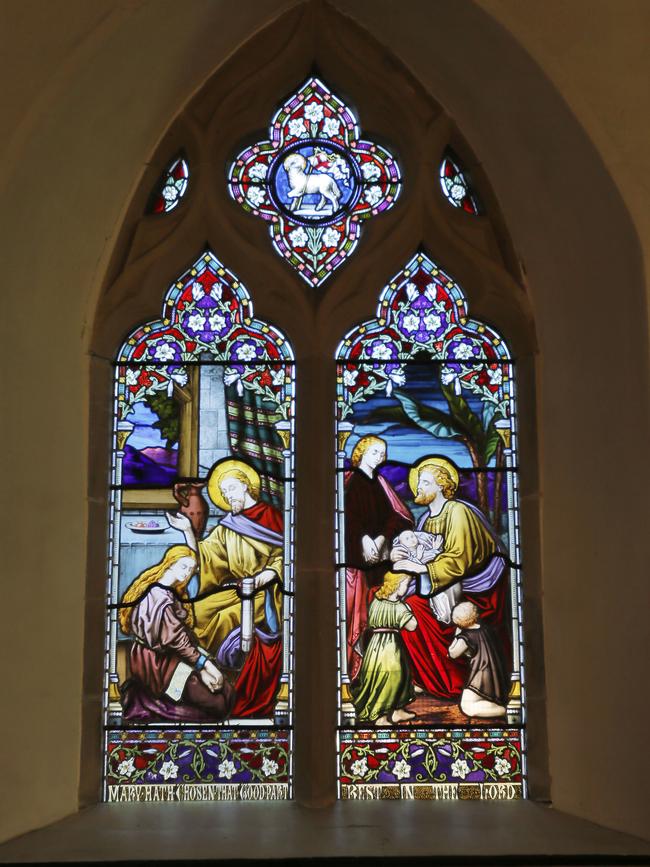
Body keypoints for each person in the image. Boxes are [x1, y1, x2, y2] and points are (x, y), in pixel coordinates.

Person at [167, 459, 283, 718]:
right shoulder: (229, 524)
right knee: (195, 610)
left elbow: (284, 556)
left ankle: (219, 682)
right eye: (225, 492)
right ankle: (196, 674)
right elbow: (208, 556)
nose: (229, 496)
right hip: (236, 590)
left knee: (224, 618)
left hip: (266, 596)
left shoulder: (274, 519)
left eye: (232, 489)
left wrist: (264, 577)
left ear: (246, 486)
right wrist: (188, 531)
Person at [392, 456, 510, 700]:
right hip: (441, 587)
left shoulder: (458, 512)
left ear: (441, 485)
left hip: (475, 589)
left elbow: (458, 561)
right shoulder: (425, 519)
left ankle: (454, 681)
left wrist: (418, 569)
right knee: (406, 607)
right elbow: (420, 554)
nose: (418, 488)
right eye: (418, 483)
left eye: (425, 482)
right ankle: (428, 678)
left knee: (415, 607)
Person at [119, 545, 235, 722]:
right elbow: (179, 641)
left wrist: (202, 668)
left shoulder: (167, 590)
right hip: (157, 665)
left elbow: (181, 641)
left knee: (226, 691)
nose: (187, 572)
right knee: (219, 704)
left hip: (171, 657)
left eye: (190, 569)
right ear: (170, 564)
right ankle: (147, 705)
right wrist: (206, 667)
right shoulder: (160, 599)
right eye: (183, 566)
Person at [344, 435, 413, 679]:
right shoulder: (349, 482)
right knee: (358, 613)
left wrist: (382, 539)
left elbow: (395, 516)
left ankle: (378, 669)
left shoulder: (381, 483)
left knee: (378, 611)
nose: (381, 457)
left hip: (380, 560)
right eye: (375, 452)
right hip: (356, 561)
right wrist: (364, 539)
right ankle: (356, 670)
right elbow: (347, 518)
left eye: (383, 452)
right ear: (361, 452)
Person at [351, 571, 418, 726]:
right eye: (405, 584)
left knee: (390, 676)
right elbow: (412, 625)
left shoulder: (376, 601)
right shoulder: (399, 607)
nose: (406, 588)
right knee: (392, 678)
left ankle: (397, 711)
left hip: (375, 646)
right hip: (390, 647)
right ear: (396, 585)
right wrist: (408, 609)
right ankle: (381, 716)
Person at [448, 601, 508, 718]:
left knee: (467, 707)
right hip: (495, 674)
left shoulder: (466, 636)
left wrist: (457, 634)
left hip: (481, 675)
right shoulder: (487, 630)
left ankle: (505, 711)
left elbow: (453, 653)